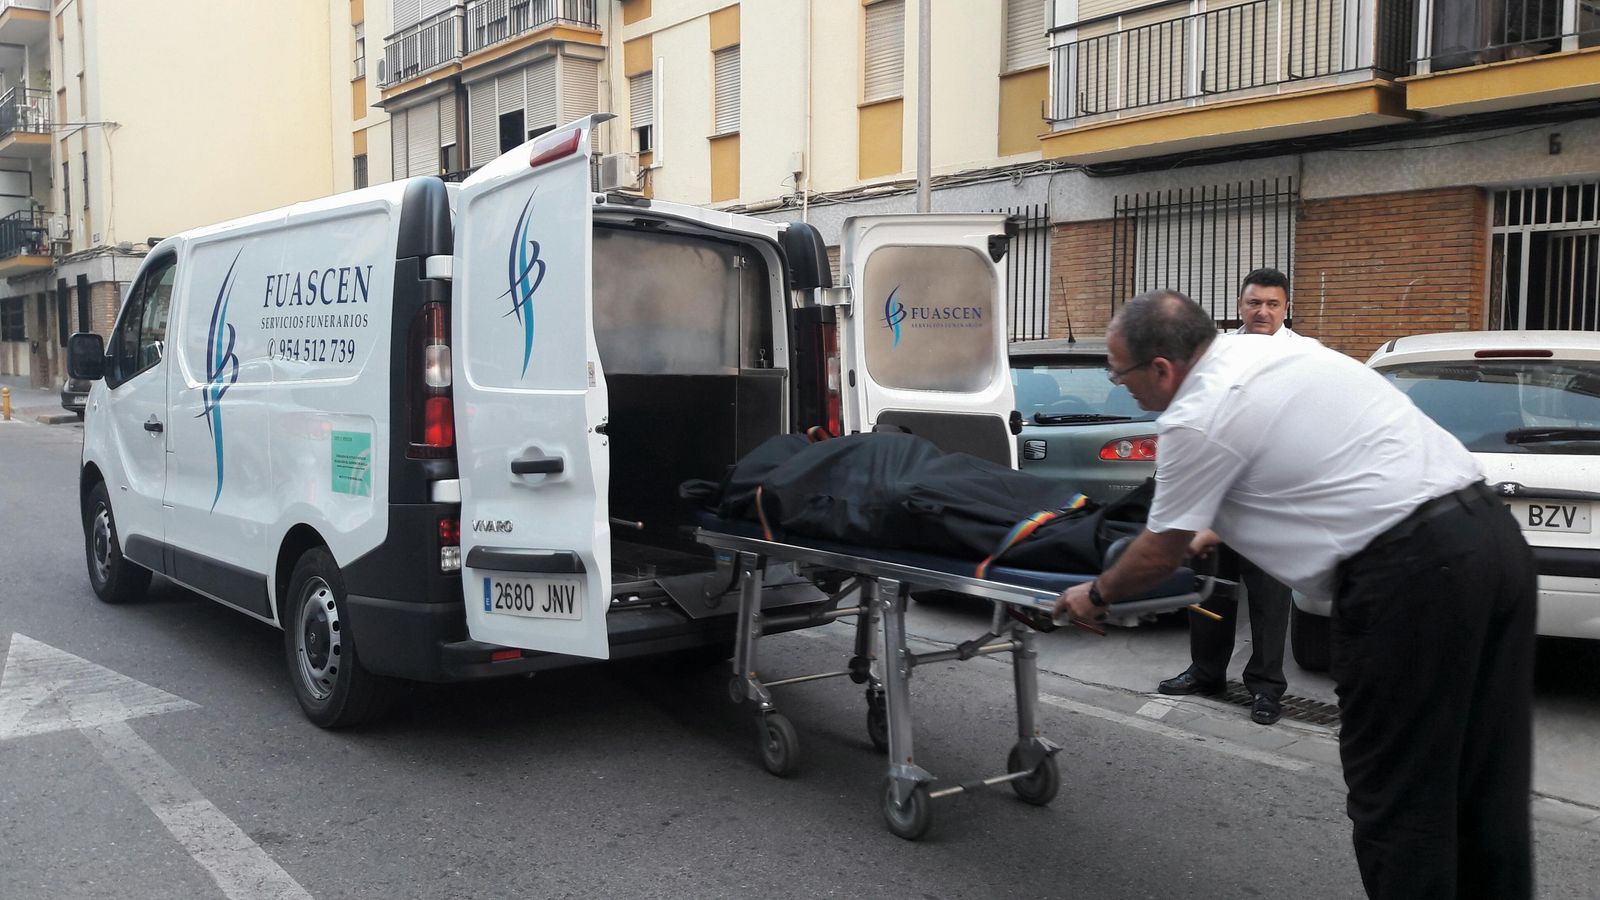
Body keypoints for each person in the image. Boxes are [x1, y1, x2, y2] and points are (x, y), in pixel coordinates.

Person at [1056, 291, 1535, 900]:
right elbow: (1299, 462)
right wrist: (1214, 525)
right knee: (1487, 782)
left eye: (1116, 372)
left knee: (1400, 800)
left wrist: (1093, 596)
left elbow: (1156, 554)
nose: (1117, 384)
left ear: (1160, 369)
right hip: (1492, 540)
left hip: (1412, 581)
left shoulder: (1195, 415)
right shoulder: (1275, 356)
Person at [1157, 267, 1298, 725]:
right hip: (1216, 496)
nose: (1262, 311)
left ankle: (1266, 687)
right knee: (1210, 590)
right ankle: (1206, 670)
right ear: (1240, 305)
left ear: (1286, 308)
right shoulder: (1215, 352)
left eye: (1272, 304)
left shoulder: (1303, 359)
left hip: (1270, 501)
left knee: (1269, 599)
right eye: (1254, 302)